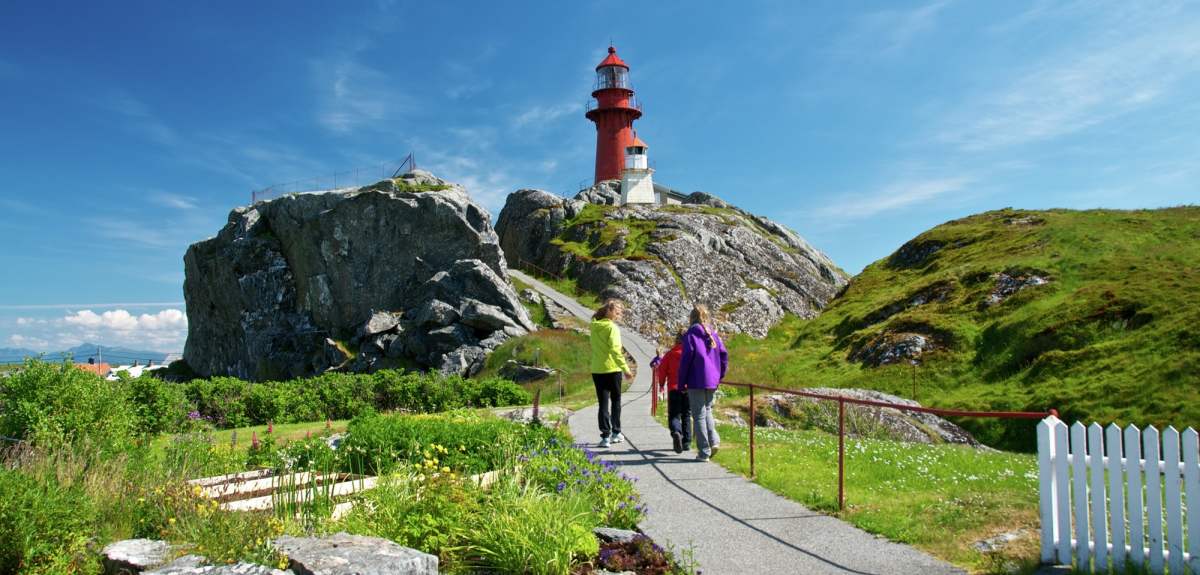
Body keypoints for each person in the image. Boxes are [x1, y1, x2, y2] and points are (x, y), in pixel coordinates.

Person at [678, 304, 728, 462]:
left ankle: (704, 451)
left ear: (692, 318)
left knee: (699, 415)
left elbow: (686, 360)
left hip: (696, 380)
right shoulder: (713, 334)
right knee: (707, 410)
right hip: (712, 380)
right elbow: (724, 356)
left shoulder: (690, 335)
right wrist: (720, 375)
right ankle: (714, 441)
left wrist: (681, 383)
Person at [590, 299, 633, 448]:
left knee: (603, 403)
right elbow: (615, 351)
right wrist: (626, 369)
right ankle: (616, 432)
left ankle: (605, 436)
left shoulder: (594, 326)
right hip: (612, 369)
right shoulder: (612, 328)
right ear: (610, 311)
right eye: (617, 312)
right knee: (615, 401)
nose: (619, 314)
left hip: (597, 369)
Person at [654, 332, 692, 454]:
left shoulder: (669, 355)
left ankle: (676, 431)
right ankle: (686, 442)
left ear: (676, 341)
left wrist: (661, 384)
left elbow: (662, 370)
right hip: (688, 388)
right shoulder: (690, 354)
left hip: (674, 389)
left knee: (674, 415)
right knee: (686, 414)